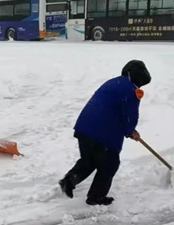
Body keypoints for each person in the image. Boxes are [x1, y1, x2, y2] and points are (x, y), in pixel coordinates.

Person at [59, 60, 151, 205]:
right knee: (109, 164)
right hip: (103, 134)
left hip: (84, 127)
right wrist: (130, 131)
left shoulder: (113, 82)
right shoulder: (129, 90)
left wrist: (129, 130)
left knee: (89, 160)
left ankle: (69, 181)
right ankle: (96, 197)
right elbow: (129, 116)